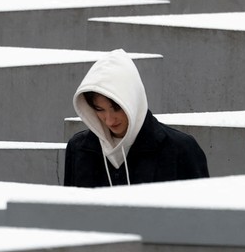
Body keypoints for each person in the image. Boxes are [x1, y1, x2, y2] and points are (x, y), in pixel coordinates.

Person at [64, 49, 209, 187]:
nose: (109, 120)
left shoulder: (180, 149)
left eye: (117, 108)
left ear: (132, 102)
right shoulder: (79, 149)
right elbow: (68, 210)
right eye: (99, 110)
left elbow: (200, 210)